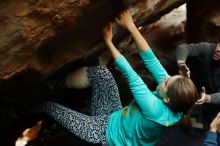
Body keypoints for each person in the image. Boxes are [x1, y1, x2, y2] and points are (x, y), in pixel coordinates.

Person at [40, 11, 198, 146]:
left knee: (50, 106)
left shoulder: (154, 109)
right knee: (101, 73)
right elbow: (151, 60)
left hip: (103, 135)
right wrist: (130, 25)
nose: (164, 78)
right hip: (115, 117)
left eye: (166, 82)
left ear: (167, 100)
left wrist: (108, 41)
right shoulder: (174, 100)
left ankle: (34, 107)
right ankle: (58, 83)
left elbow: (131, 75)